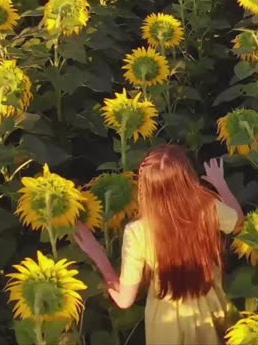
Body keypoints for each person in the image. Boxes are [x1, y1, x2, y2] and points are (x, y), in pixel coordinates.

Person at [73, 144, 244, 344]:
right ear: (188, 177)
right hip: (213, 312)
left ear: (144, 188)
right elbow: (238, 221)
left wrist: (97, 253)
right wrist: (220, 183)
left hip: (167, 323)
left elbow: (124, 300)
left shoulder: (138, 232)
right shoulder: (207, 208)